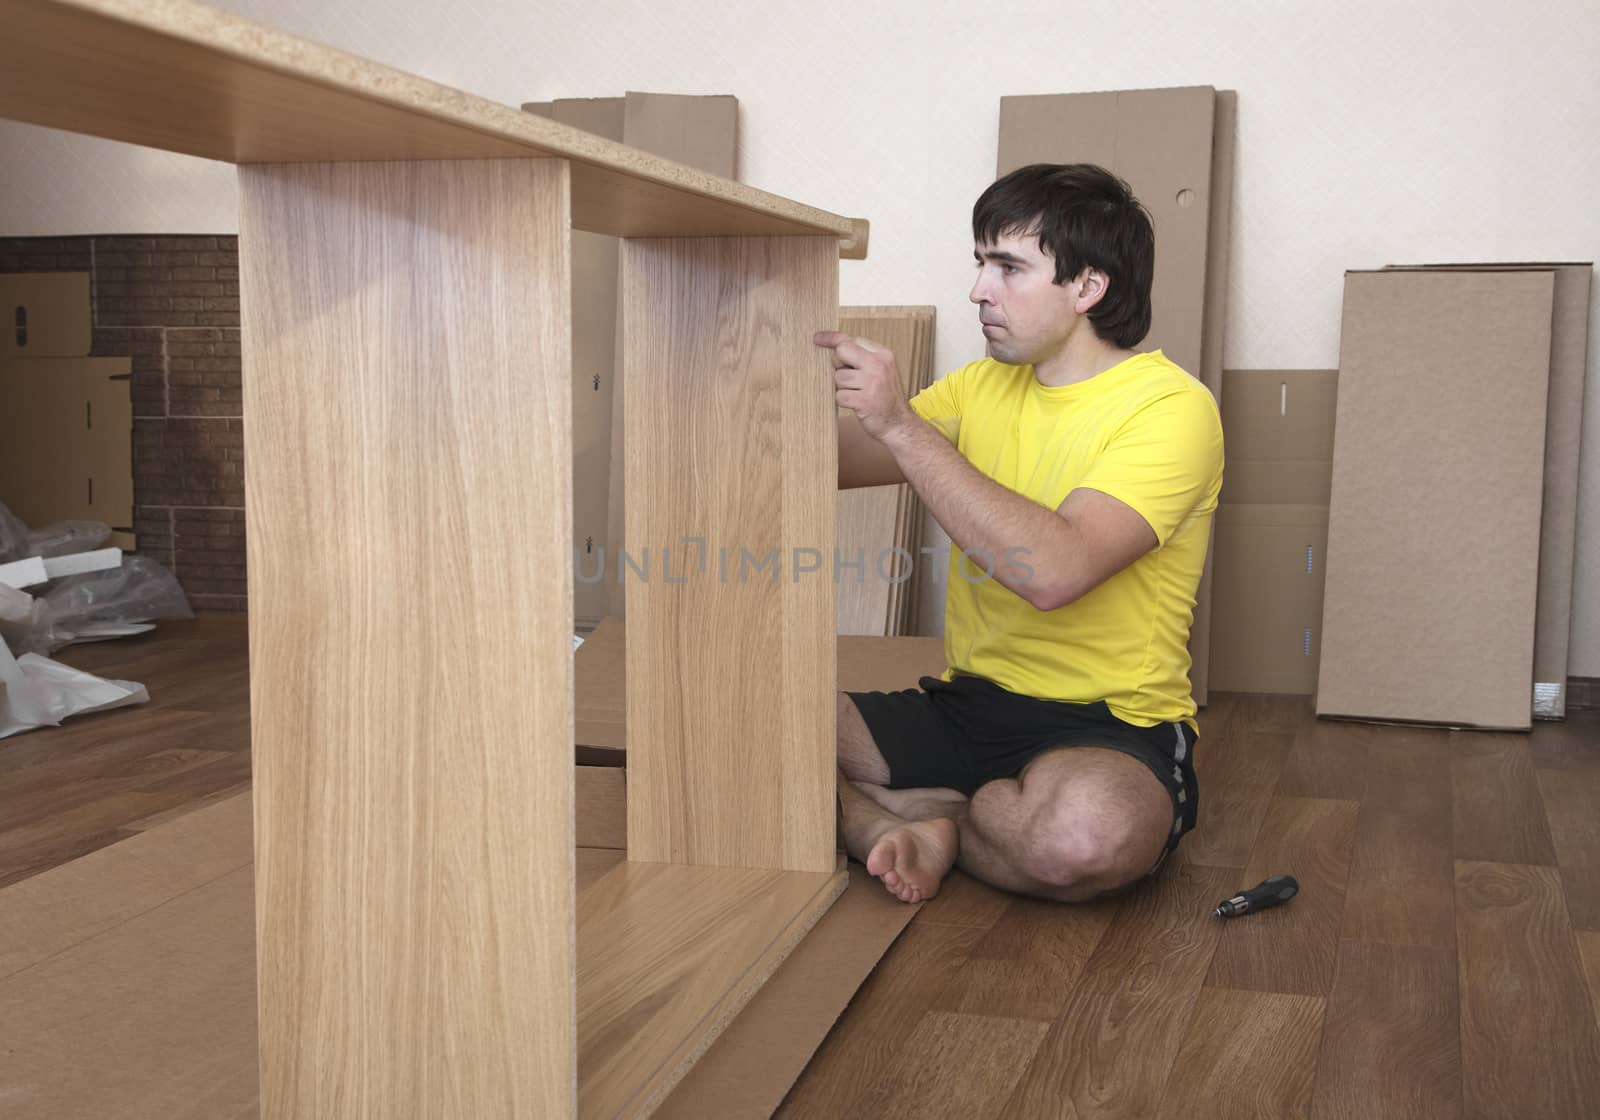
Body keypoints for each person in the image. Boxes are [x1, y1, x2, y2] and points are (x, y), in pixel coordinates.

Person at [814, 163, 1223, 904]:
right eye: (980, 262)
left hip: (1105, 722)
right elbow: (833, 461)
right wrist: (772, 380)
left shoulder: (1171, 409)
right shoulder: (979, 388)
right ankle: (893, 827)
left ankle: (920, 814)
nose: (978, 289)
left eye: (1008, 266)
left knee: (1083, 839)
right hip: (970, 704)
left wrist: (903, 424)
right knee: (755, 718)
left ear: (1087, 287)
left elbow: (1054, 573)